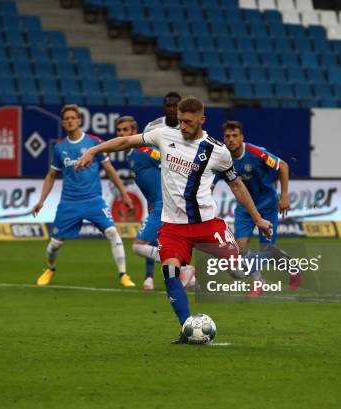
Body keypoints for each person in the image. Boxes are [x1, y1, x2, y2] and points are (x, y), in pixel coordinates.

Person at [77, 97, 272, 343]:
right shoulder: (164, 136)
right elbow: (126, 141)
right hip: (173, 228)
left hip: (207, 225)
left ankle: (268, 257)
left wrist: (258, 219)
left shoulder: (218, 151)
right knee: (170, 272)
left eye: (188, 122)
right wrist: (94, 149)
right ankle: (188, 328)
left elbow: (237, 186)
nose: (183, 126)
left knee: (237, 271)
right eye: (180, 121)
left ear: (202, 120)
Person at [32, 104, 136, 288]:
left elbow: (110, 170)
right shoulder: (59, 148)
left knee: (112, 232)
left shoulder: (94, 142)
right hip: (69, 202)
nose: (70, 121)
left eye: (73, 118)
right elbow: (51, 176)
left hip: (94, 200)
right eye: (67, 119)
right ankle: (50, 269)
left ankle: (123, 274)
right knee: (55, 244)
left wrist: (124, 195)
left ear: (79, 120)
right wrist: (41, 201)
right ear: (63, 123)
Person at [214, 120, 299, 295]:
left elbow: (283, 166)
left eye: (235, 136)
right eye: (227, 136)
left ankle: (293, 268)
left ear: (242, 137)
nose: (231, 140)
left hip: (267, 206)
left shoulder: (255, 152)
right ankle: (258, 282)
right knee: (241, 247)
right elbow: (210, 182)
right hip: (244, 208)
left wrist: (284, 196)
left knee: (267, 249)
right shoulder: (223, 159)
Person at [115, 116, 195, 291]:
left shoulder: (143, 152)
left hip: (164, 206)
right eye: (119, 131)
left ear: (134, 132)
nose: (122, 134)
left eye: (126, 130)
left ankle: (184, 268)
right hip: (159, 206)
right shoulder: (132, 155)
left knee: (139, 245)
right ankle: (194, 283)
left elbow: (171, 159)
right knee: (158, 243)